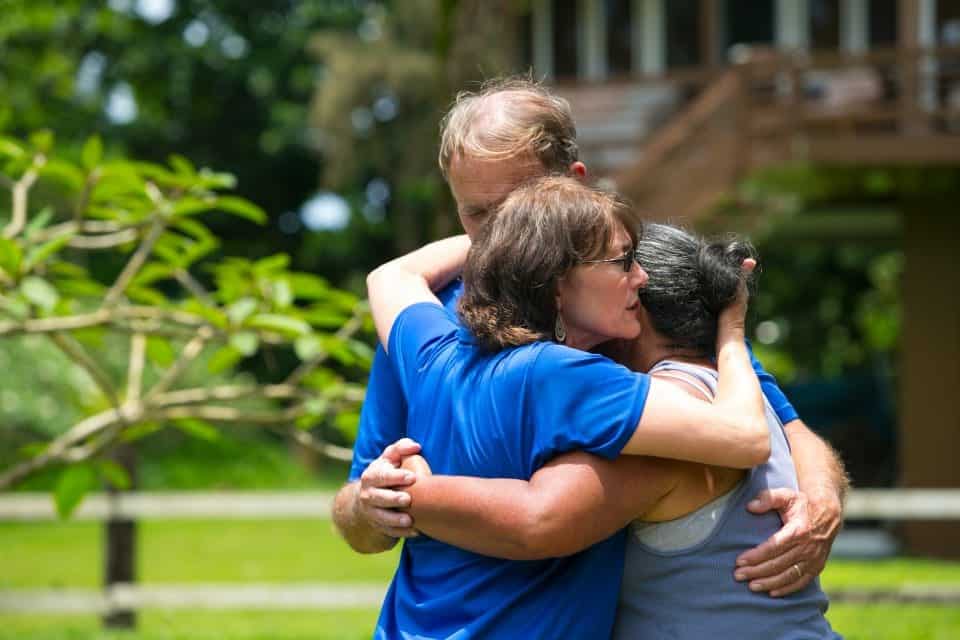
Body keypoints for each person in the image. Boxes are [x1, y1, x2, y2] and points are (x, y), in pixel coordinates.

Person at [332, 77, 847, 597]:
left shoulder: (631, 294)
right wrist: (373, 504)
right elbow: (356, 514)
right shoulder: (428, 316)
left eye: (517, 205)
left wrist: (821, 503)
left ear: (575, 184)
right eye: (476, 213)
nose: (497, 235)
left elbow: (785, 427)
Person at [366, 176, 769, 638]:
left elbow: (389, 276)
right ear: (557, 284)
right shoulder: (567, 377)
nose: (641, 277)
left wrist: (508, 236)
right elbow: (746, 436)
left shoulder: (434, 350)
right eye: (623, 261)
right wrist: (732, 331)